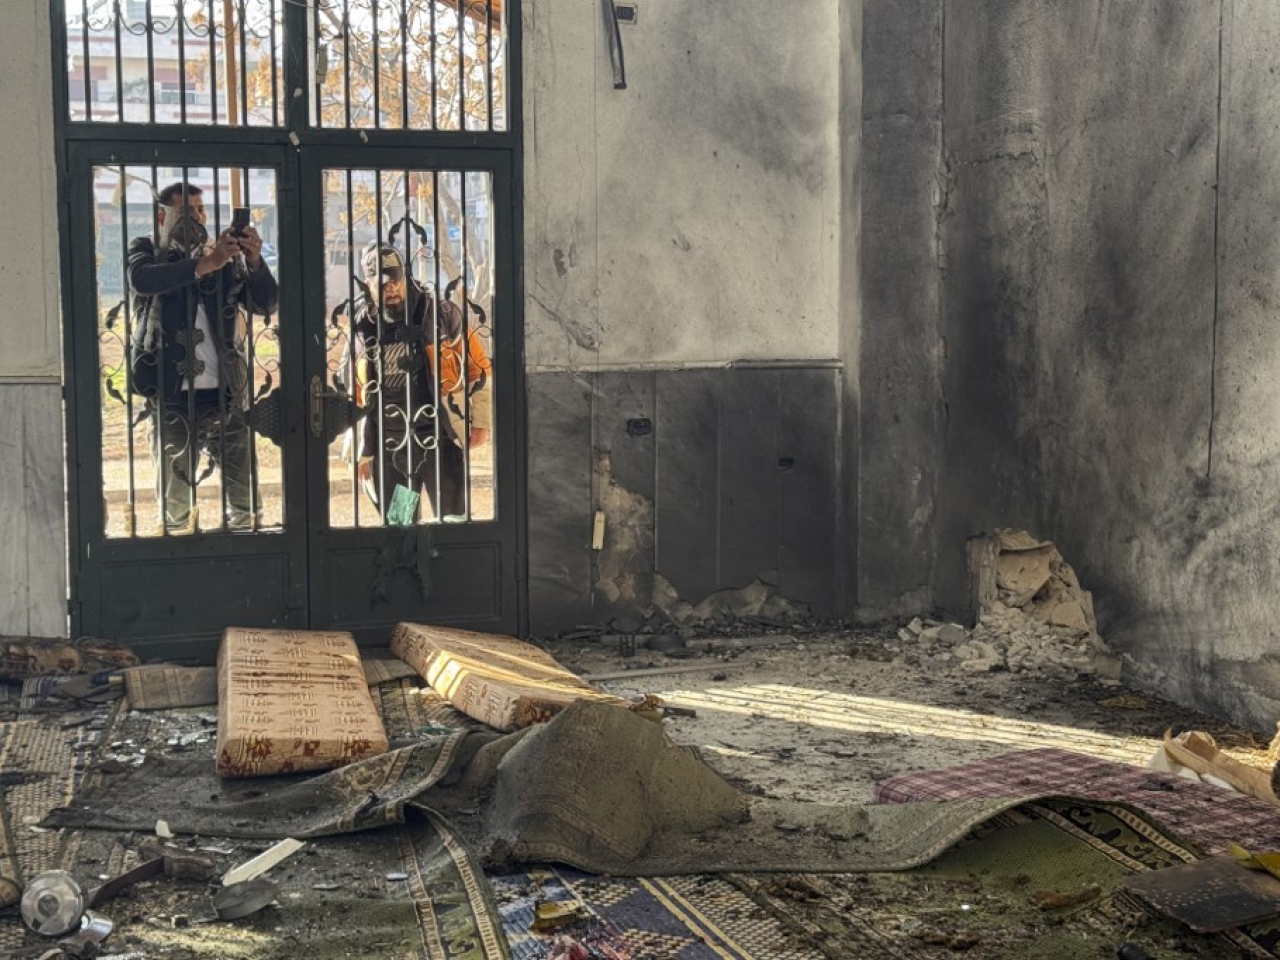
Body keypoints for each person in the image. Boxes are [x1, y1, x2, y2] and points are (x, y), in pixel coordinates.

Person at [126, 182, 279, 533]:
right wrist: (204, 264)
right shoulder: (147, 249)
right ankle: (178, 554)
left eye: (201, 209)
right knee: (176, 499)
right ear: (162, 216)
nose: (198, 216)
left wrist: (253, 262)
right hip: (170, 395)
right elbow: (141, 280)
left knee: (244, 495)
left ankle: (247, 552)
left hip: (224, 392)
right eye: (188, 210)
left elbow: (266, 303)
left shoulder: (223, 257)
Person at [352, 242, 491, 522]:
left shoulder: (442, 316)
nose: (390, 289)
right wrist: (362, 449)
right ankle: (410, 566)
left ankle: (451, 567)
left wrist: (480, 422)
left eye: (395, 281)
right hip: (393, 449)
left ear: (405, 276)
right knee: (402, 527)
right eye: (381, 284)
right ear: (368, 284)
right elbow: (356, 391)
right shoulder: (364, 326)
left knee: (453, 522)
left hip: (440, 441)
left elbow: (479, 369)